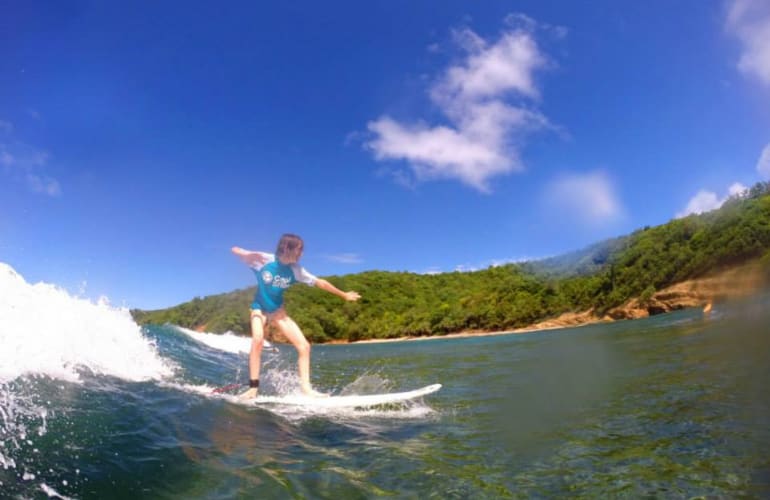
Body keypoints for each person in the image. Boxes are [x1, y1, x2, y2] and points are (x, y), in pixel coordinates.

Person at [232, 234, 361, 398]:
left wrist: (343, 295)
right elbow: (238, 252)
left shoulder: (296, 270)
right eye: (299, 250)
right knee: (257, 340)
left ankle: (306, 390)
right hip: (259, 309)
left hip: (278, 312)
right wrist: (242, 252)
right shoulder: (264, 260)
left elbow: (319, 282)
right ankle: (253, 389)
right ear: (287, 248)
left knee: (304, 346)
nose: (301, 254)